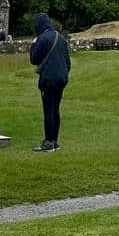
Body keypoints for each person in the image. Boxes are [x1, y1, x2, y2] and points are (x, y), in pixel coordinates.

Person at [29, 12, 71, 152]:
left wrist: (33, 45)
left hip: (48, 79)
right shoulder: (61, 38)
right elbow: (67, 62)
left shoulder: (42, 38)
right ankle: (54, 141)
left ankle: (48, 142)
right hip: (61, 78)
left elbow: (34, 59)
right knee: (55, 109)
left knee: (48, 109)